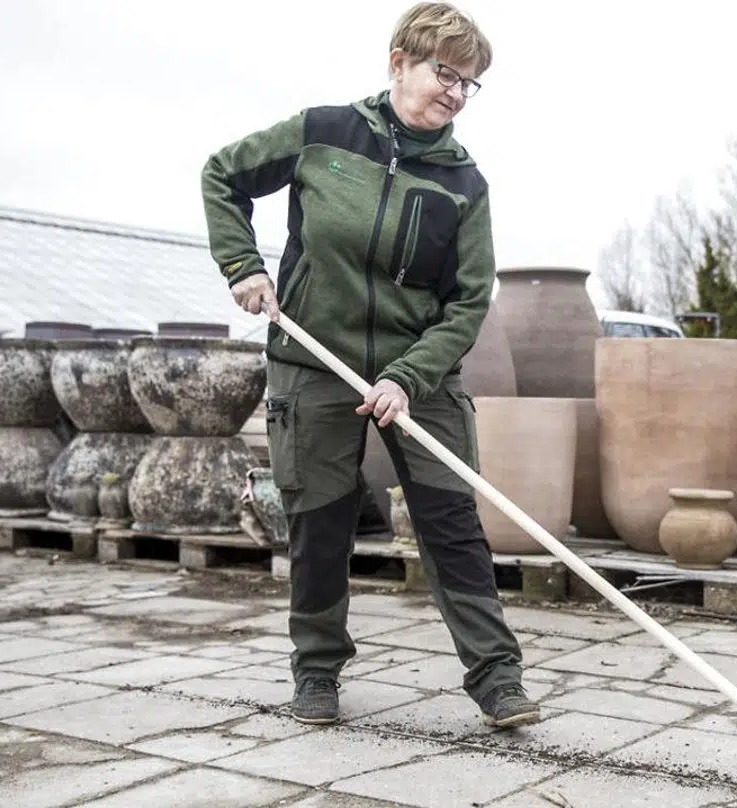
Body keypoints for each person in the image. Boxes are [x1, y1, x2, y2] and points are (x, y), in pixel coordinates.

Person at [199, 1, 540, 729]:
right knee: (318, 522)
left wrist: (406, 378)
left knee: (451, 523)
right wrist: (240, 265)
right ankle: (317, 672)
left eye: (468, 82)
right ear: (398, 64)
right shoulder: (323, 134)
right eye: (443, 72)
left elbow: (468, 301)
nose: (454, 91)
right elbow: (222, 175)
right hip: (313, 364)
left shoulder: (463, 185)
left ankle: (497, 678)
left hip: (420, 376)